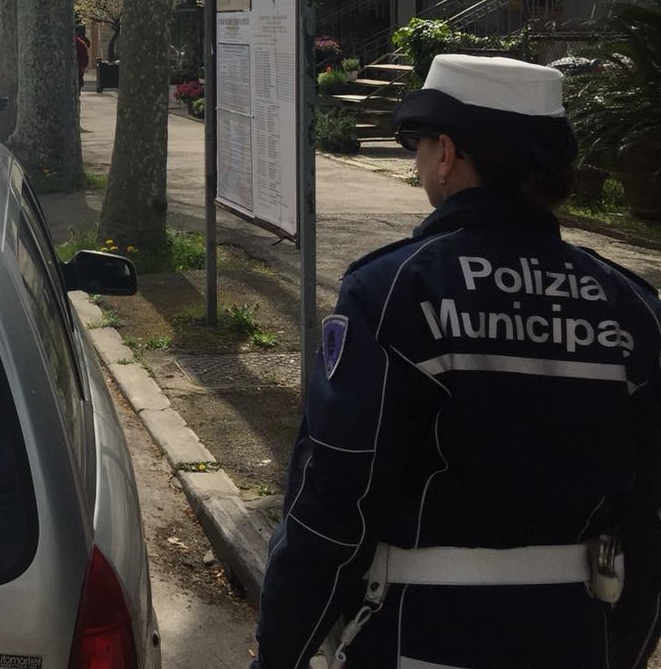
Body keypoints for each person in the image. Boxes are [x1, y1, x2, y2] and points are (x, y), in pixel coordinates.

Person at [252, 54, 661, 669]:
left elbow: (336, 506)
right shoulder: (633, 307)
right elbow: (649, 516)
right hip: (578, 637)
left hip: (418, 637)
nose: (418, 163)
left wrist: (278, 655)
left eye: (418, 147)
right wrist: (622, 647)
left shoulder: (390, 292)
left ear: (447, 154)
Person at [74, 24, 90, 92]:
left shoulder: (80, 43)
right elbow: (85, 59)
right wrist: (82, 67)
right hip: (78, 72)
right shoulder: (81, 43)